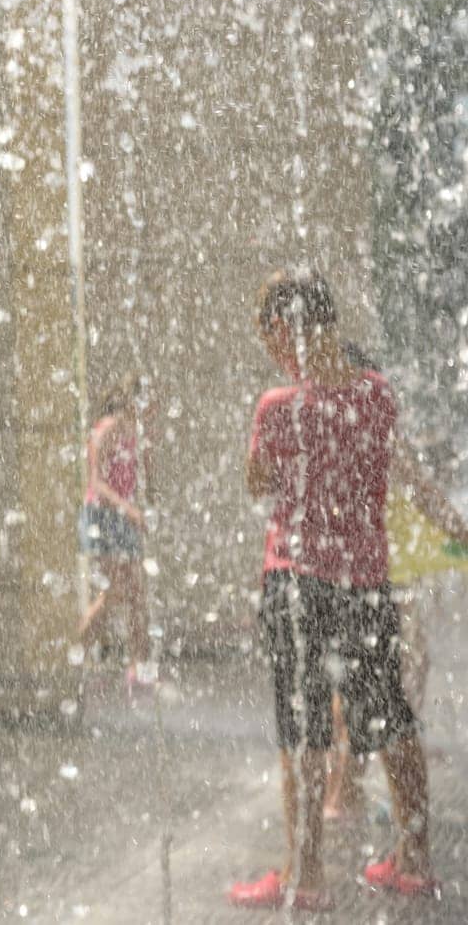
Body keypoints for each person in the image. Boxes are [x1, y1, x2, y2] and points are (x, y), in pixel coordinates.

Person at [228, 269, 468, 912]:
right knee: (391, 716)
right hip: (365, 586)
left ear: (284, 329)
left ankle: (305, 877)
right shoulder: (378, 395)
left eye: (269, 337)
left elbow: (257, 483)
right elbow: (404, 472)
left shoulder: (280, 407)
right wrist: (459, 529)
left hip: (297, 582)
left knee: (303, 730)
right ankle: (414, 859)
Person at [323, 343, 468, 823]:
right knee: (392, 681)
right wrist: (463, 530)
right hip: (383, 576)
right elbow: (423, 494)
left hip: (363, 573)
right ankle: (346, 792)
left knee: (366, 683)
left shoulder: (337, 431)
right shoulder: (374, 428)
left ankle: (345, 789)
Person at [75, 373, 154, 693]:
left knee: (136, 593)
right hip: (104, 517)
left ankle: (140, 667)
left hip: (125, 518)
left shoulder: (134, 432)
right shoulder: (106, 429)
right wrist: (131, 510)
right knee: (114, 593)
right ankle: (76, 653)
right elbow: (96, 483)